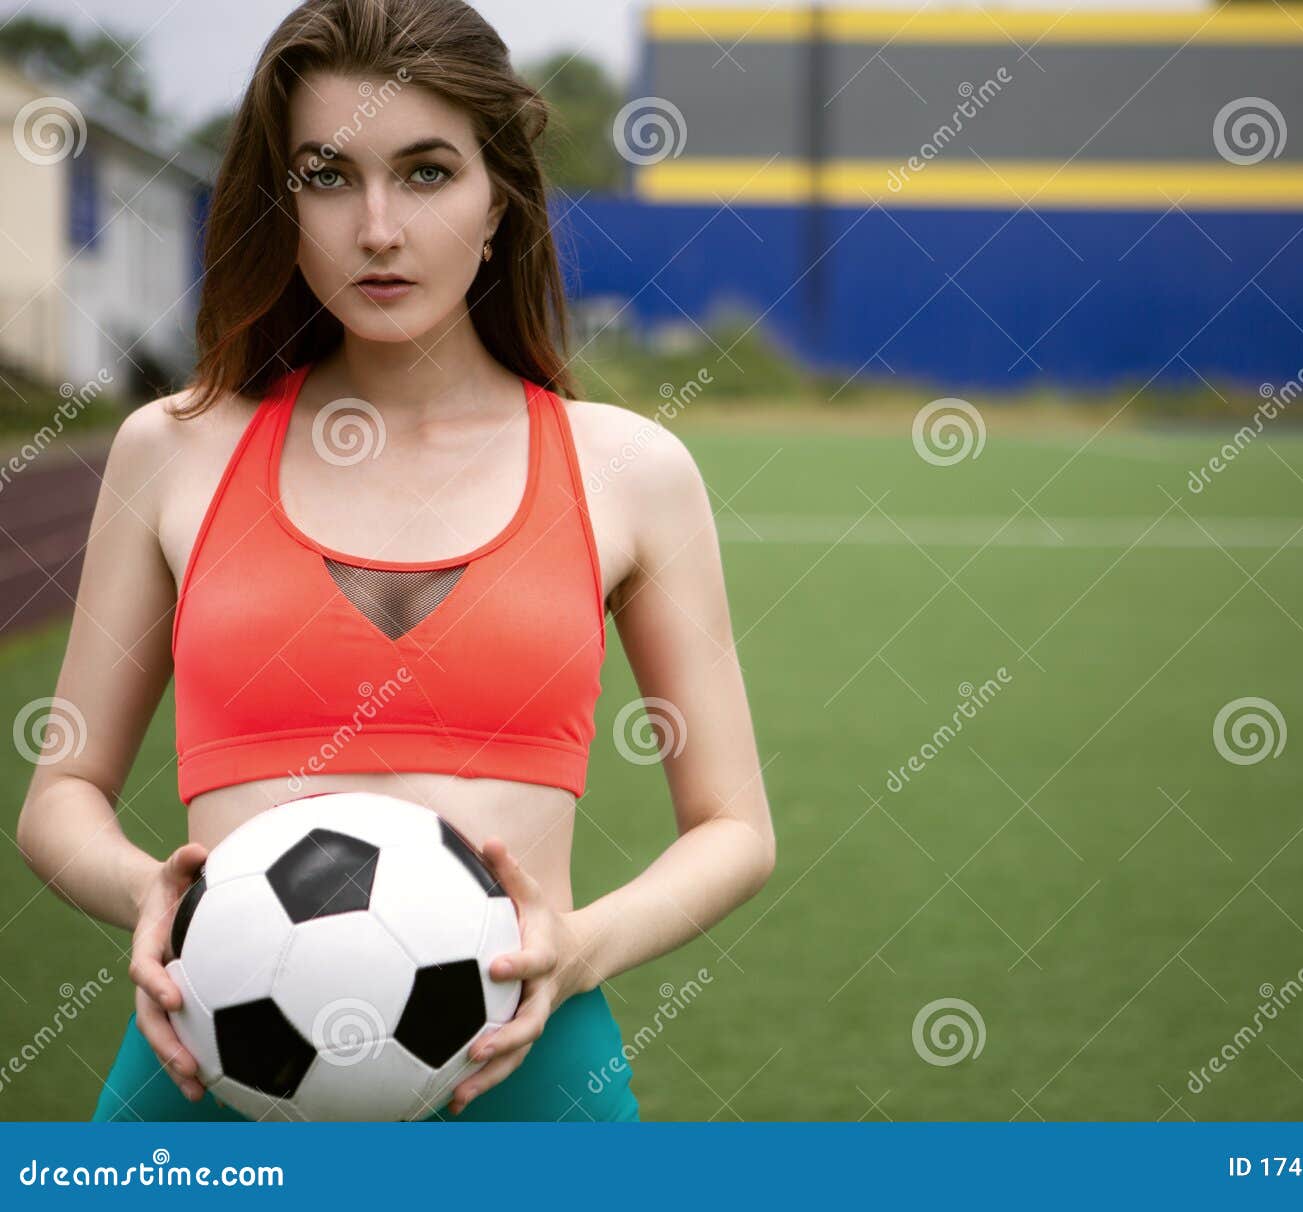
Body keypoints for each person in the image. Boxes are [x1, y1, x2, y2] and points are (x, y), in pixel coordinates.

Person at [14, 0, 774, 1123]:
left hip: (529, 1087)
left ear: (499, 194)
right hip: (206, 1089)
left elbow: (734, 827)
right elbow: (60, 795)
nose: (377, 227)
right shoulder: (174, 450)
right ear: (282, 202)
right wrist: (152, 893)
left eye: (425, 174)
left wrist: (577, 946)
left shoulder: (628, 470)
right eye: (328, 176)